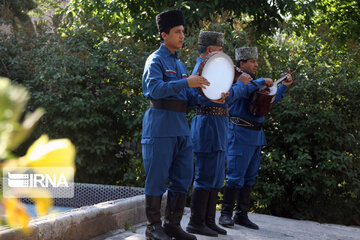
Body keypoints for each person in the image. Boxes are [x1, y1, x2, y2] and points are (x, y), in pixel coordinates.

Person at [141, 10, 211, 240]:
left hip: (181, 128)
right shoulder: (156, 60)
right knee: (157, 178)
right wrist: (186, 82)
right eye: (177, 32)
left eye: (183, 32)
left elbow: (188, 99)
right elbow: (154, 90)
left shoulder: (180, 65)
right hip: (160, 127)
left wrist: (208, 95)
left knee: (183, 177)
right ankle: (153, 227)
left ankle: (172, 225)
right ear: (164, 34)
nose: (182, 36)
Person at [185, 31, 253, 237]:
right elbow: (218, 98)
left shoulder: (210, 67)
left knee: (215, 176)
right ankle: (196, 222)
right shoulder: (202, 68)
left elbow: (222, 98)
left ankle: (208, 220)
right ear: (209, 50)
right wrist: (240, 84)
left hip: (217, 123)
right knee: (205, 175)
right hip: (208, 123)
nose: (222, 54)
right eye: (220, 49)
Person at [218, 46, 293, 230]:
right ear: (241, 63)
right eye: (252, 61)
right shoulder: (236, 80)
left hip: (256, 135)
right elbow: (239, 94)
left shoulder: (255, 82)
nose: (256, 64)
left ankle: (241, 214)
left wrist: (283, 86)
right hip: (239, 132)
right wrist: (260, 81)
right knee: (235, 176)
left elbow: (268, 101)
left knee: (250, 177)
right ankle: (225, 214)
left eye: (256, 61)